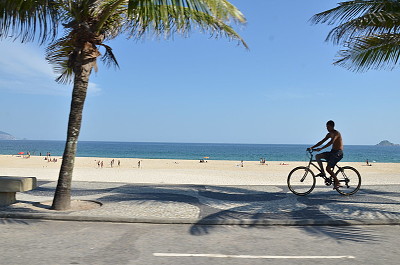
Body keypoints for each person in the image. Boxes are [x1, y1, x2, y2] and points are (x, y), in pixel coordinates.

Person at [308, 120, 344, 189]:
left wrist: (321, 148)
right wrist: (312, 147)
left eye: (328, 127)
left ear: (332, 126)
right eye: (326, 127)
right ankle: (322, 172)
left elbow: (331, 142)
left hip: (338, 153)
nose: (327, 128)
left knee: (328, 168)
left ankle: (337, 182)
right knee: (317, 156)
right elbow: (321, 142)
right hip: (332, 152)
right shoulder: (329, 134)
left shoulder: (336, 133)